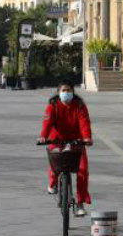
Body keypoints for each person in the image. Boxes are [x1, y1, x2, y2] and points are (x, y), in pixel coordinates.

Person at [37, 82, 93, 217]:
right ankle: (53, 183)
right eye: (63, 90)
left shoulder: (79, 105)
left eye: (69, 90)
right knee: (55, 162)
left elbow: (84, 123)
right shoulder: (53, 105)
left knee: (83, 171)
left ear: (73, 92)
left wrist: (87, 138)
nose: (66, 92)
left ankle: (80, 204)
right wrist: (43, 136)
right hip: (56, 139)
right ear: (58, 92)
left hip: (76, 141)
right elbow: (47, 122)